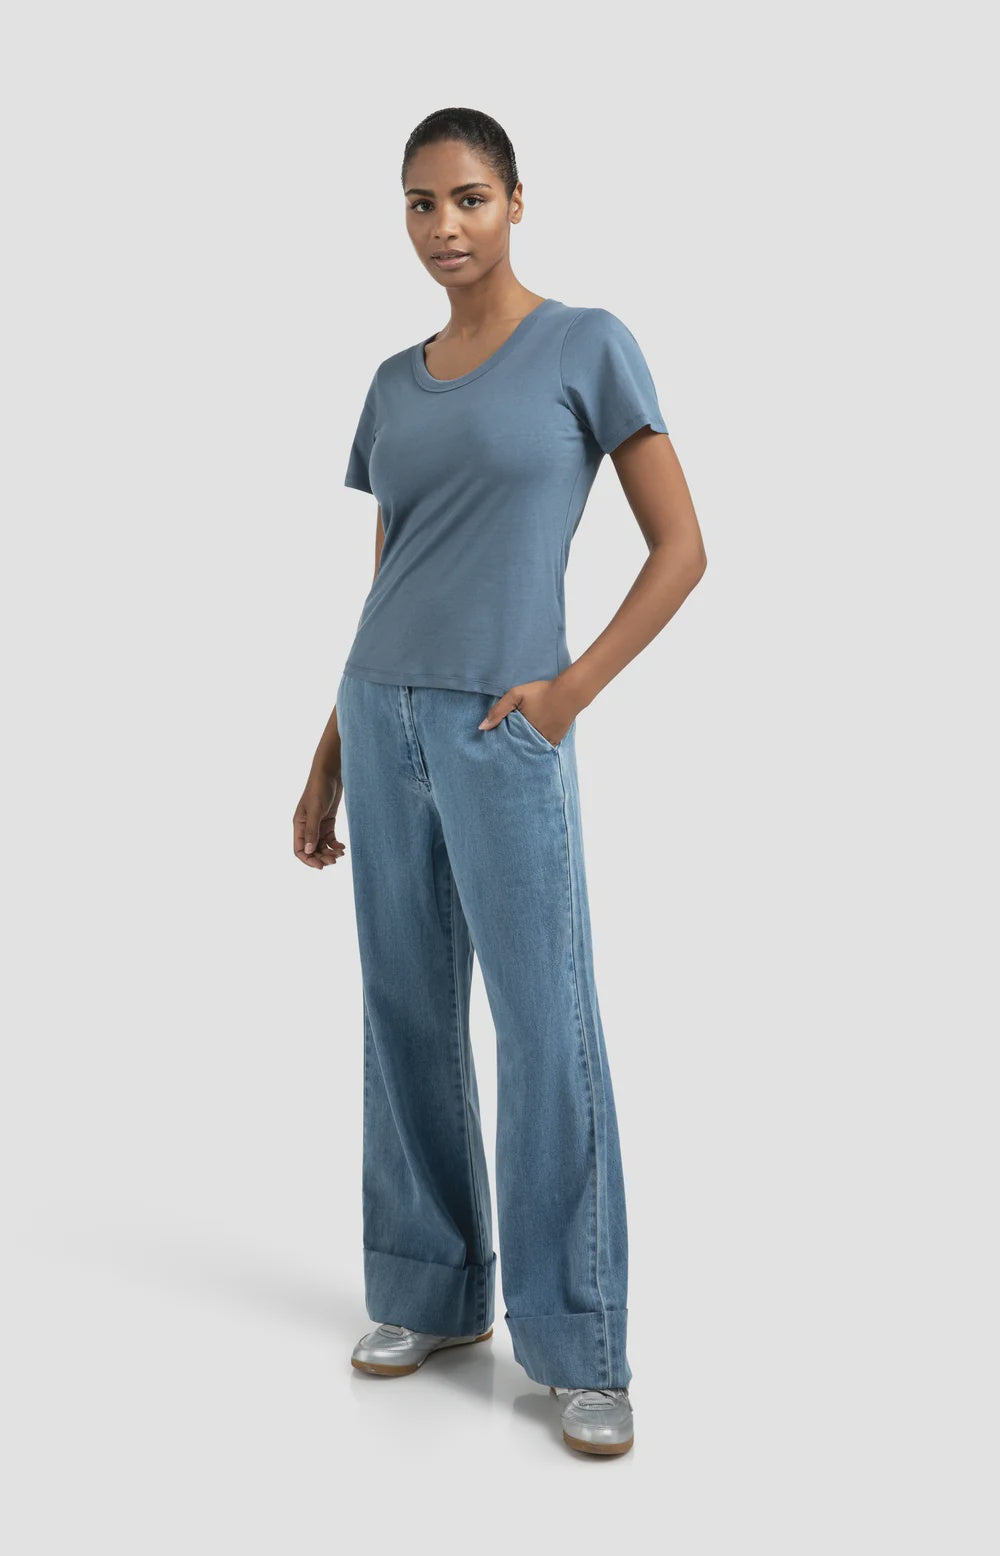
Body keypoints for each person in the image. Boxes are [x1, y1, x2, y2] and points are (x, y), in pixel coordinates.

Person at [293, 106, 707, 1457]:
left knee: (548, 1031)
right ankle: (428, 1290)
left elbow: (683, 548)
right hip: (383, 711)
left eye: (469, 197)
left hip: (505, 725)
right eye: (421, 203)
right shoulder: (391, 382)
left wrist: (567, 696)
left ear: (517, 202)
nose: (445, 226)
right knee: (404, 1014)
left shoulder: (586, 344)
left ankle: (581, 1344)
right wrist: (329, 752)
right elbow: (391, 575)